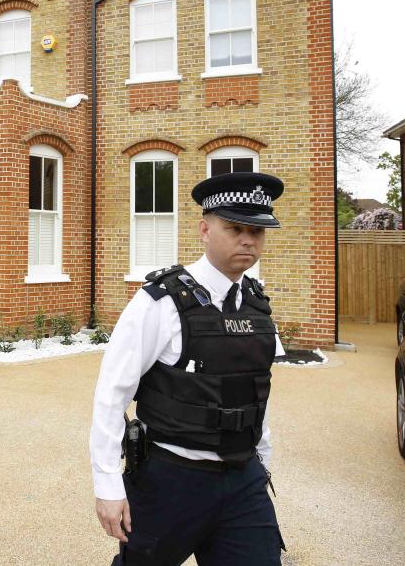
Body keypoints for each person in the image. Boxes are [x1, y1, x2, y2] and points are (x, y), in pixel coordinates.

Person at [90, 172, 288, 566]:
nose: (248, 240)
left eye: (257, 231)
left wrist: (262, 462)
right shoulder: (159, 302)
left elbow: (254, 390)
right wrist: (108, 484)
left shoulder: (257, 305)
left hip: (243, 480)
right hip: (172, 480)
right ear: (204, 229)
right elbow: (112, 394)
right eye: (235, 228)